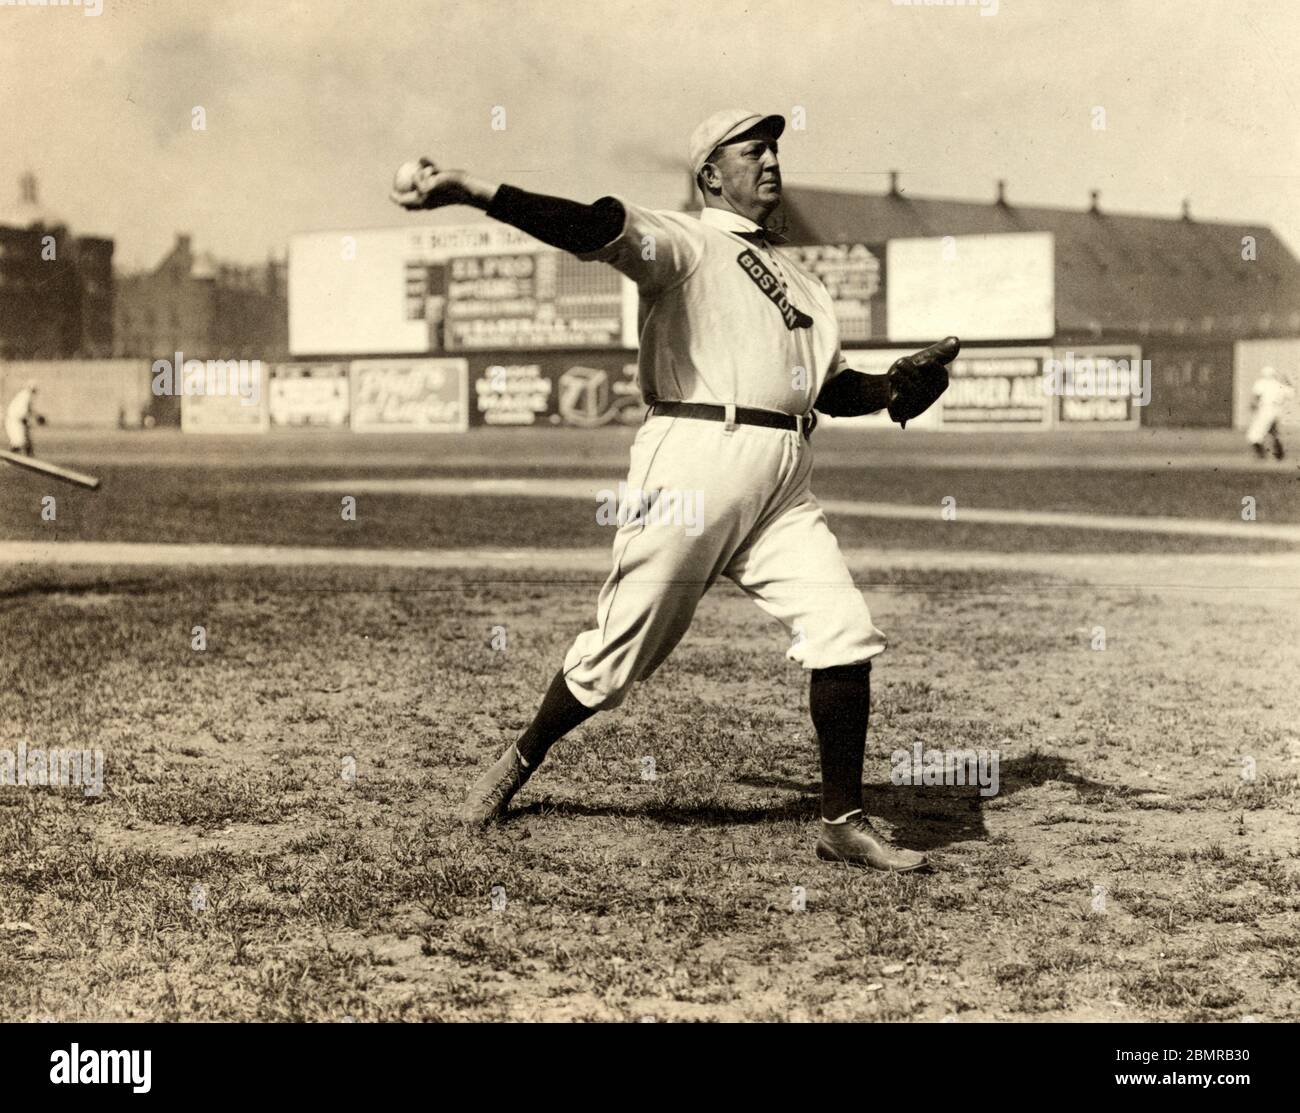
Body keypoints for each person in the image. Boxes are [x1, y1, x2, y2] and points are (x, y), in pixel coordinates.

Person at [391, 109, 956, 871]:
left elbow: (827, 389)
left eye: (775, 149)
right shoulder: (687, 244)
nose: (770, 161)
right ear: (710, 175)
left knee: (844, 630)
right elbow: (591, 225)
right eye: (752, 150)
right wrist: (472, 191)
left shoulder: (808, 285)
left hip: (785, 472)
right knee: (617, 654)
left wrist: (892, 388)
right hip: (696, 453)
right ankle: (519, 760)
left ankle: (843, 820)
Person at [1246, 366, 1294, 460]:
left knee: (1253, 435)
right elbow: (1290, 394)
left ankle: (1261, 455)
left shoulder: (1261, 383)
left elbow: (1255, 397)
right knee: (1273, 432)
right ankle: (1279, 454)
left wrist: (1252, 406)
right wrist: (1288, 381)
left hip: (1265, 410)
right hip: (1277, 411)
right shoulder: (1278, 384)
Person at [5, 381, 41, 457]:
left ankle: (30, 458)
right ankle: (9, 459)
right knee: (19, 442)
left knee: (25, 440)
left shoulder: (24, 395)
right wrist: (36, 417)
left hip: (16, 420)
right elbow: (23, 412)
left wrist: (37, 416)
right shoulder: (26, 396)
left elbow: (28, 410)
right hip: (14, 421)